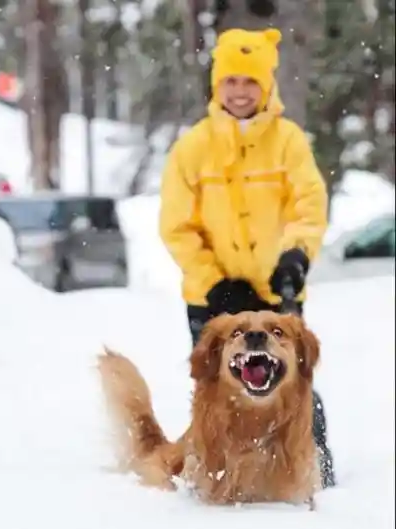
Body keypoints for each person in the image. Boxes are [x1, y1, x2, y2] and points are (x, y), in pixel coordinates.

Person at [159, 27, 336, 489]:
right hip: (210, 296)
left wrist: (296, 254)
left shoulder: (288, 141)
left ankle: (310, 466)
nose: (240, 92)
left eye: (250, 82)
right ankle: (213, 470)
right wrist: (214, 282)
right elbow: (176, 226)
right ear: (217, 87)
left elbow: (308, 206)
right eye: (231, 82)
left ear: (267, 85)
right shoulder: (193, 147)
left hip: (274, 292)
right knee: (215, 388)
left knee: (294, 386)